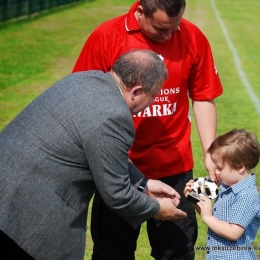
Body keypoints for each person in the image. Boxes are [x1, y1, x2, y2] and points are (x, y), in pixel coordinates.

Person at [0, 49, 188, 260]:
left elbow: (102, 153)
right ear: (136, 91)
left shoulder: (83, 80)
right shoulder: (114, 116)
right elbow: (117, 195)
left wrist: (143, 183)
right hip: (26, 217)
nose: (153, 102)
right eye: (153, 95)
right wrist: (155, 208)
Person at [72, 0, 223, 259]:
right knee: (112, 252)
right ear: (140, 12)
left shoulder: (192, 36)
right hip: (118, 168)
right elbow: (82, 98)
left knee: (178, 252)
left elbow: (203, 95)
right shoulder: (107, 36)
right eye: (160, 28)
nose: (168, 36)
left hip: (174, 168)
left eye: (174, 28)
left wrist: (210, 150)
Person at [184, 129, 260, 260]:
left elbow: (233, 232)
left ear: (240, 167)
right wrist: (194, 198)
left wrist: (207, 217)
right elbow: (215, 218)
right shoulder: (228, 186)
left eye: (220, 167)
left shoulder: (246, 195)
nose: (216, 171)